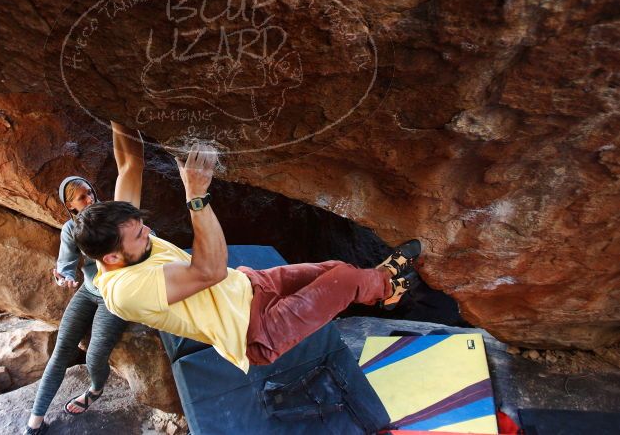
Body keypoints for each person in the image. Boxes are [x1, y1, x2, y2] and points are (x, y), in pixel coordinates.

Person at [74, 144, 421, 373]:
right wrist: (195, 195)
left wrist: (120, 104)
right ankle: (388, 283)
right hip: (255, 332)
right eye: (139, 235)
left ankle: (382, 290)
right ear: (113, 256)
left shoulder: (123, 233)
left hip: (250, 286)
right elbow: (208, 270)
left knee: (337, 270)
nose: (148, 231)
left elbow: (129, 163)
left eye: (142, 225)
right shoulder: (124, 291)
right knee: (345, 282)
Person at [25, 122, 144, 435]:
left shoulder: (111, 215)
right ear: (70, 205)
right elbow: (65, 264)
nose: (89, 198)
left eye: (90, 192)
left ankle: (94, 388)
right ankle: (34, 421)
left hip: (112, 296)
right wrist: (64, 277)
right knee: (62, 350)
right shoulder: (70, 230)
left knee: (94, 354)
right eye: (80, 197)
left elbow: (144, 237)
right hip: (89, 291)